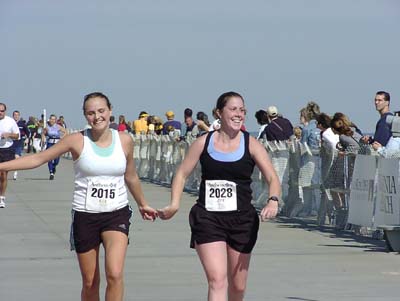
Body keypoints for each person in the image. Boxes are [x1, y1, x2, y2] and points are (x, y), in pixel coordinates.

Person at [0, 92, 158, 300]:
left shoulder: (124, 140)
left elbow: (131, 176)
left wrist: (142, 203)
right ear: (85, 116)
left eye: (101, 111)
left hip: (116, 213)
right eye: (91, 113)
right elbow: (38, 158)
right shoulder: (76, 140)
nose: (97, 117)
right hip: (86, 215)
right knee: (91, 282)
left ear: (110, 111)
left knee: (115, 273)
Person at [157, 91, 281, 301]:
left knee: (238, 287)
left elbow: (272, 178)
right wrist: (174, 204)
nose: (238, 114)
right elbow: (181, 173)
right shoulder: (203, 142)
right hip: (208, 218)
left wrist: (273, 200)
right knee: (217, 280)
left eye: (242, 110)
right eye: (233, 109)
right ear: (219, 113)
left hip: (242, 220)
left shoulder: (251, 144)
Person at [0, 103, 20, 208]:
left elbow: (17, 136)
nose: (0, 113)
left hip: (7, 149)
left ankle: (2, 197)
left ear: (5, 111)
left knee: (3, 174)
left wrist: (9, 134)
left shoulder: (10, 121)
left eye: (2, 111)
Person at [42, 114, 67, 180]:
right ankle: (51, 173)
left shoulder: (58, 127)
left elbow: (65, 132)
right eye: (51, 119)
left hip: (57, 144)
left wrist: (62, 138)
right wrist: (43, 139)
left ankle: (54, 166)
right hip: (50, 143)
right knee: (49, 158)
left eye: (53, 119)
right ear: (49, 120)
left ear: (55, 120)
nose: (52, 120)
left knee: (56, 160)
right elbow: (43, 133)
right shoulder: (47, 127)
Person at [12, 110, 30, 180]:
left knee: (16, 157)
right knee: (10, 158)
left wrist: (27, 138)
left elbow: (28, 132)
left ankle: (15, 172)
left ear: (19, 116)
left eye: (17, 115)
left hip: (19, 142)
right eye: (15, 115)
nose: (16, 116)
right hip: (11, 142)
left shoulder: (22, 124)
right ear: (13, 116)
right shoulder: (10, 123)